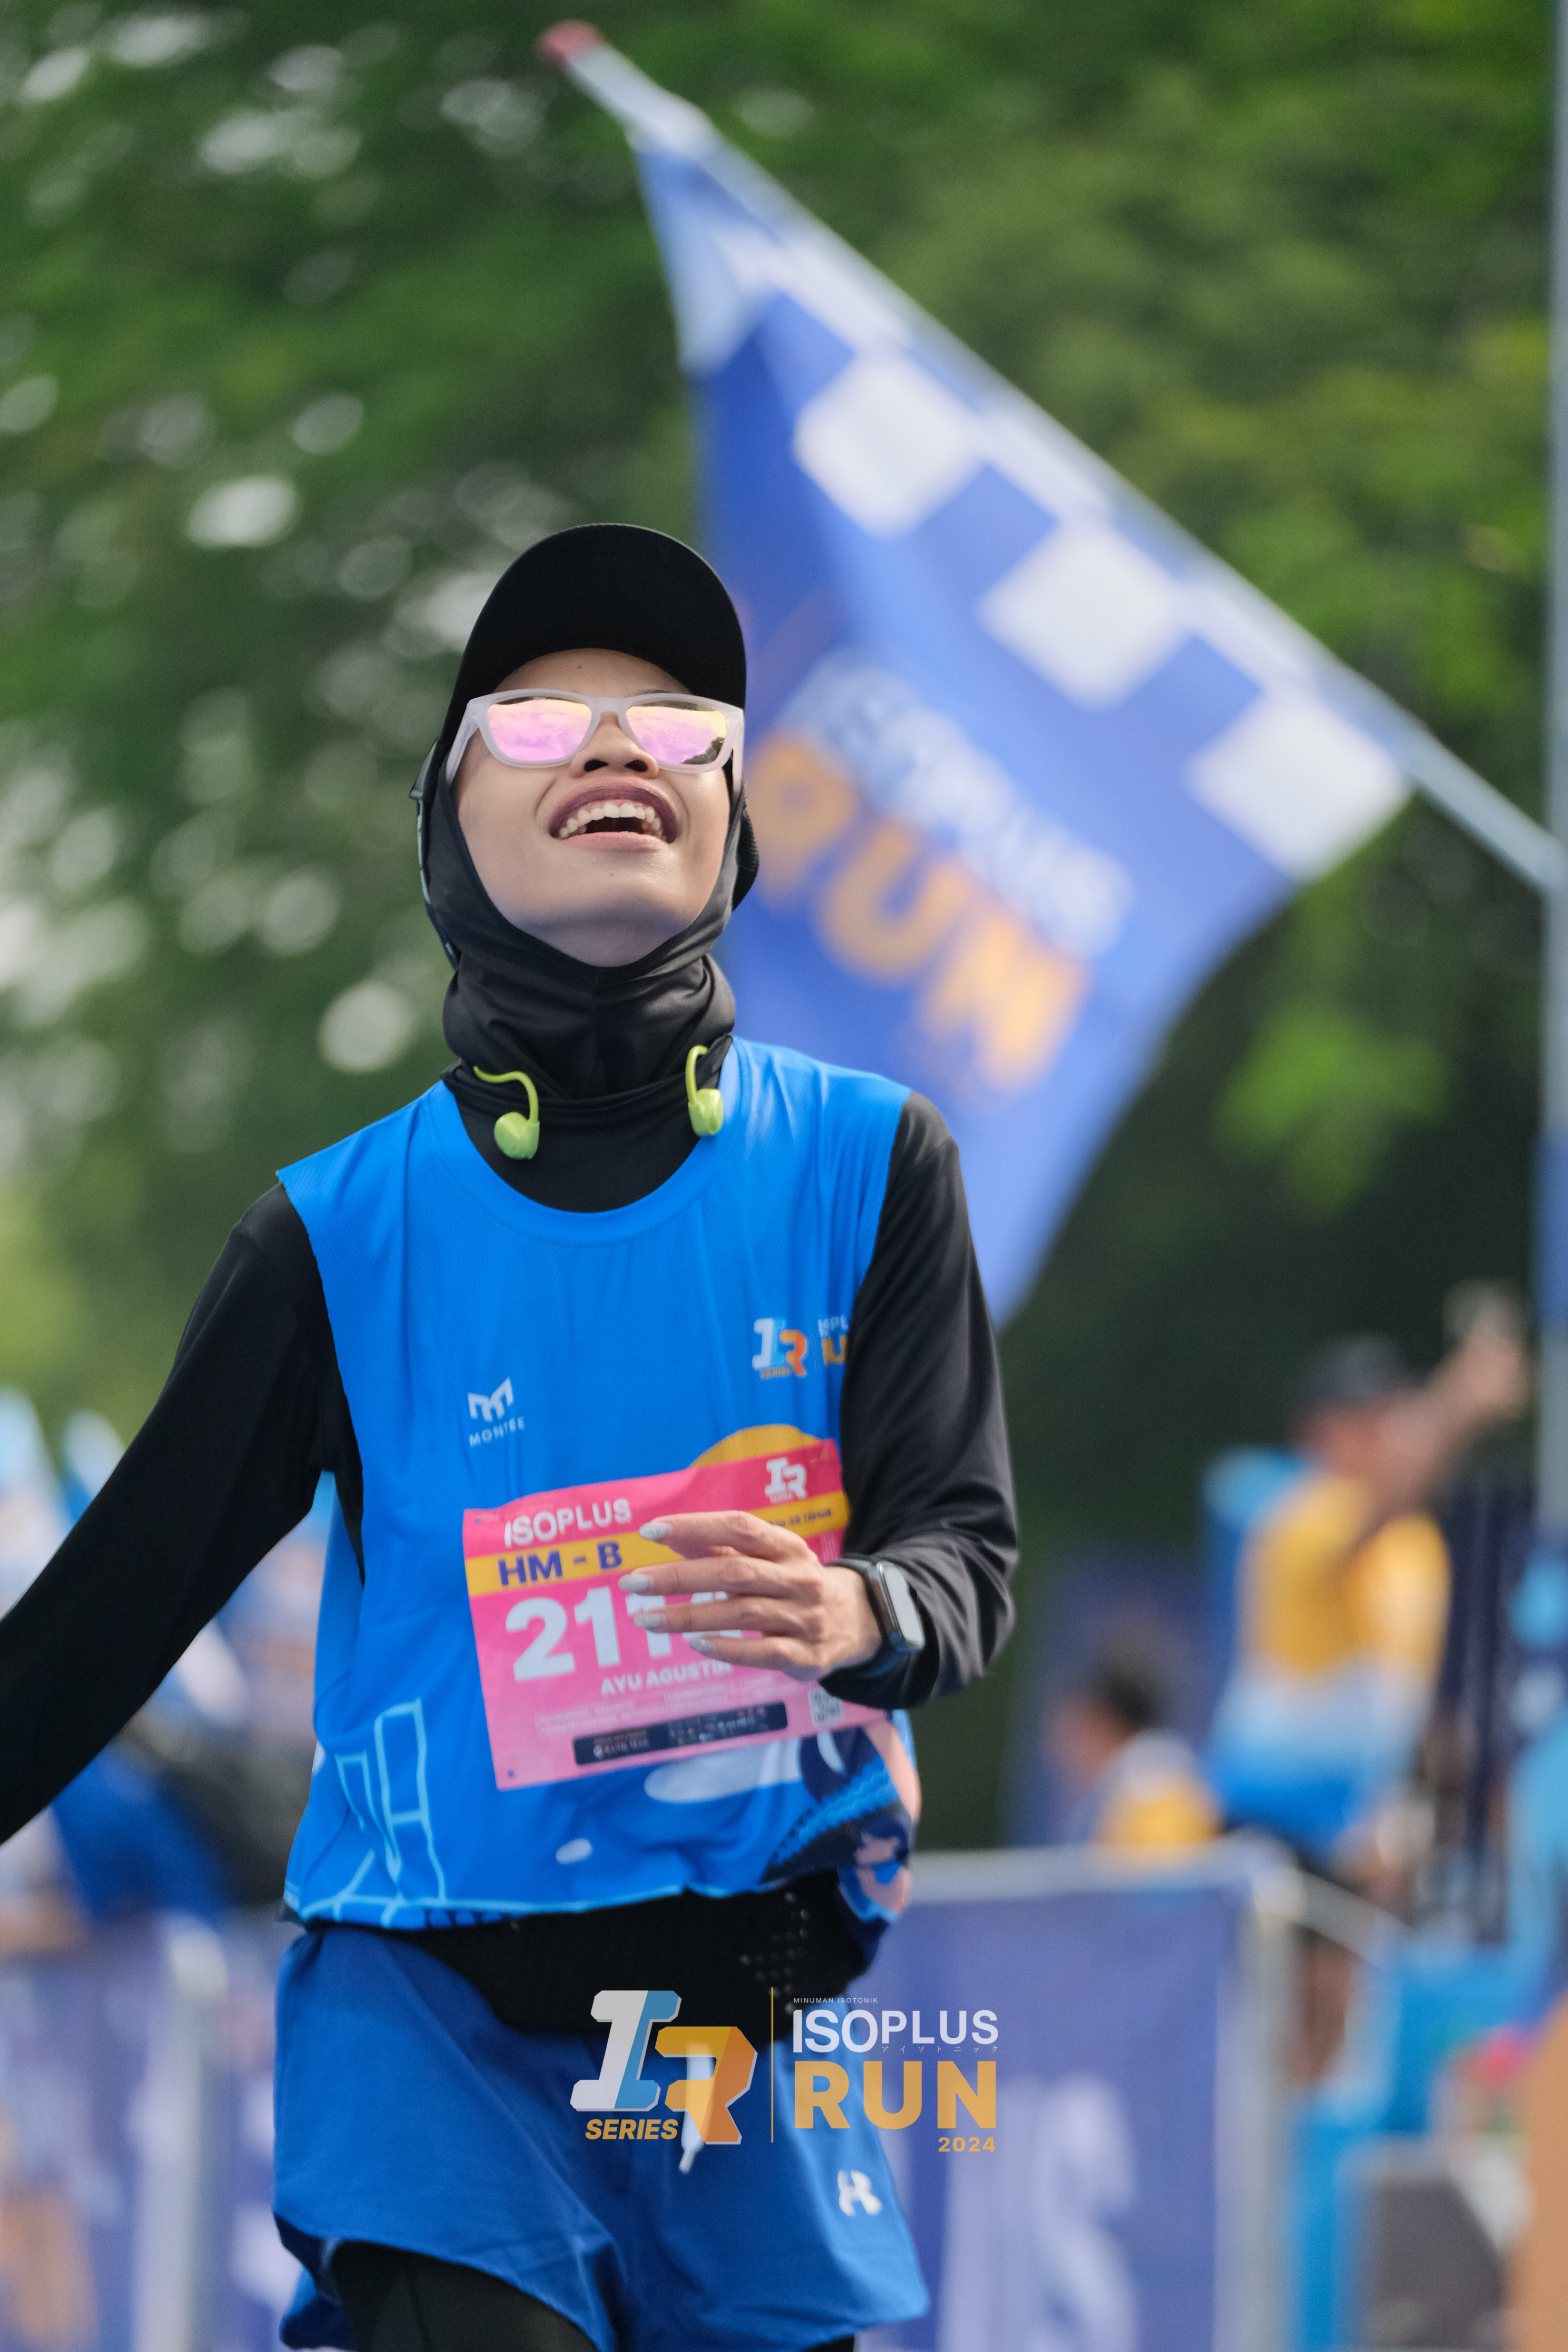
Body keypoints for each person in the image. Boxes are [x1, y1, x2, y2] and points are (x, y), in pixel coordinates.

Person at [0, 525, 1017, 2352]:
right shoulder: (334, 1234)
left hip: (745, 2021)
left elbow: (965, 1551)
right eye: (541, 723)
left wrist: (852, 1609)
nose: (616, 746)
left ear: (734, 817)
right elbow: (95, 1627)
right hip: (431, 2025)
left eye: (679, 724)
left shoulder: (875, 1165)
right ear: (445, 826)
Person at [1205, 1312, 1528, 1860]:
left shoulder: (1418, 1547)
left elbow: (1404, 1697)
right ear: (1318, 1429)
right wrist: (1456, 1403)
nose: (1390, 1434)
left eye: (1392, 1413)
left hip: (1358, 1826)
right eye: (1368, 1418)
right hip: (1271, 1819)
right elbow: (1375, 1512)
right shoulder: (1297, 1516)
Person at [1047, 1653, 1218, 1852]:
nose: (1057, 1752)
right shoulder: (1121, 1796)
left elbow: (1171, 1868)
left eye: (1071, 1732)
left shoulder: (1155, 1793)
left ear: (1103, 1724)